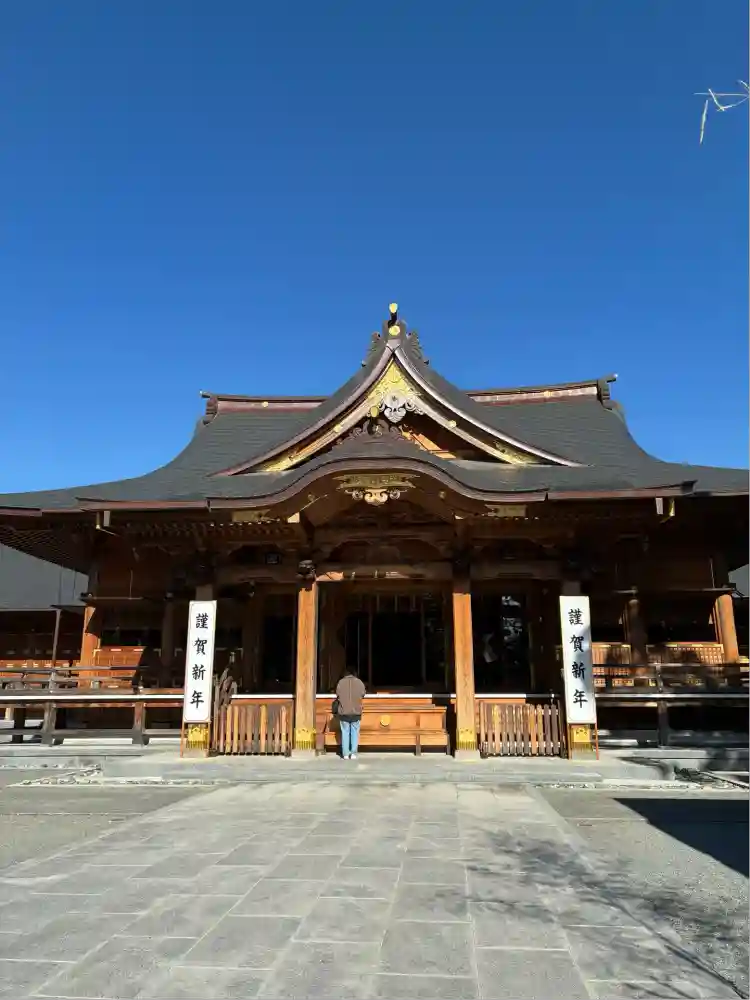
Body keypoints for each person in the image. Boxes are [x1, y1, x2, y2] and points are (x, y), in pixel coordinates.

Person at [335, 667, 366, 759]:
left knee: (345, 732)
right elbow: (363, 694)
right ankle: (353, 753)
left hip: (344, 711)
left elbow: (337, 694)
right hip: (356, 711)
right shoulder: (359, 682)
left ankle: (345, 753)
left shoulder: (340, 682)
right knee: (355, 732)